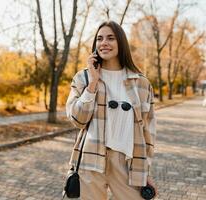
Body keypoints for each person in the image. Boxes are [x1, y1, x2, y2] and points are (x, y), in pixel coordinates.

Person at [65, 21, 156, 200]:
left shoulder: (141, 83)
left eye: (110, 38)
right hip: (90, 159)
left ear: (121, 43)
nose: (103, 43)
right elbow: (77, 119)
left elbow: (148, 131)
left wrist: (146, 171)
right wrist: (92, 84)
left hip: (127, 162)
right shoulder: (83, 77)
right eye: (99, 39)